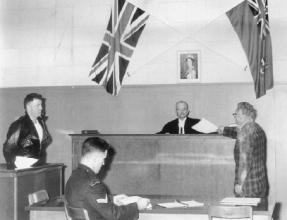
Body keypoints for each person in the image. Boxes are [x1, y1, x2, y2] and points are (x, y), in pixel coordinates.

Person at [65, 137, 151, 220]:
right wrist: (137, 206)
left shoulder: (74, 177)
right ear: (95, 158)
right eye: (103, 159)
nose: (103, 163)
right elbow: (114, 215)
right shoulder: (94, 185)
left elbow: (87, 199)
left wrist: (111, 199)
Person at [218, 102, 269, 209]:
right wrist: (225, 130)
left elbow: (245, 161)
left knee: (245, 215)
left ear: (244, 116)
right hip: (258, 184)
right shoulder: (256, 128)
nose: (235, 116)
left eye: (236, 114)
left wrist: (240, 183)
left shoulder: (246, 132)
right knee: (258, 215)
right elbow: (239, 132)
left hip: (247, 187)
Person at [3, 93, 52, 169]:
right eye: (38, 105)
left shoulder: (41, 123)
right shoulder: (19, 124)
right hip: (24, 169)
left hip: (39, 167)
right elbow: (8, 148)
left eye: (41, 105)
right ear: (29, 107)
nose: (41, 108)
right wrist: (14, 168)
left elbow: (37, 143)